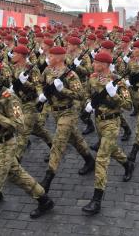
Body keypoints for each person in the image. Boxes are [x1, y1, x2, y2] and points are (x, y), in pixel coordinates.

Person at [0, 58, 54, 236]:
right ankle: (44, 199)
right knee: (17, 174)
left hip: (5, 146)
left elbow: (20, 125)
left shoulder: (8, 97)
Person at [82, 51, 134, 215]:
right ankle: (127, 164)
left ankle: (96, 199)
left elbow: (128, 105)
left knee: (102, 158)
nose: (93, 64)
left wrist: (114, 95)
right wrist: (88, 103)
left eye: (96, 62)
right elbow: (86, 93)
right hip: (99, 121)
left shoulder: (118, 82)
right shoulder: (92, 78)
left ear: (104, 65)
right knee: (111, 149)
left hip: (112, 122)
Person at [39, 46, 95, 194]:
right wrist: (42, 94)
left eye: (50, 56)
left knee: (58, 144)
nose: (48, 58)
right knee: (75, 138)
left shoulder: (71, 76)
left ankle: (47, 179)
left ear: (58, 58)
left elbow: (80, 95)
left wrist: (62, 90)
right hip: (55, 112)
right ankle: (89, 160)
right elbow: (40, 82)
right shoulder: (48, 70)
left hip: (68, 112)